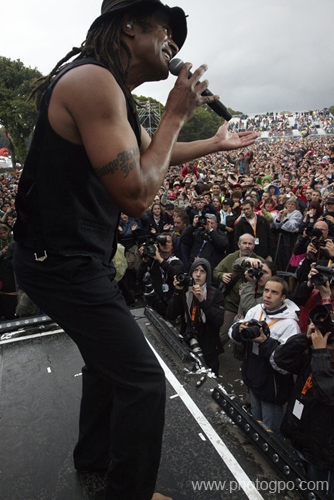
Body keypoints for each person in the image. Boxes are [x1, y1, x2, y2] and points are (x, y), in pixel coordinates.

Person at [12, 1, 258, 498]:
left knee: (109, 366)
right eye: (165, 31)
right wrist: (174, 111)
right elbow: (138, 195)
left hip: (77, 259)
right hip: (61, 264)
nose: (174, 45)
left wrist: (212, 142)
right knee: (144, 383)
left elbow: (151, 153)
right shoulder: (92, 82)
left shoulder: (112, 91)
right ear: (129, 26)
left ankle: (95, 458)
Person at [228, 277, 300, 435]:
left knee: (270, 431)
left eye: (274, 292)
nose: (267, 295)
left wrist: (265, 342)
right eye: (266, 290)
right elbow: (233, 334)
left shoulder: (290, 325)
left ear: (283, 298)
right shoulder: (256, 310)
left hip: (273, 387)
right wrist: (239, 330)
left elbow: (286, 364)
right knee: (255, 421)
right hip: (253, 378)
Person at [274, 320, 334, 499]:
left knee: (319, 492)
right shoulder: (315, 357)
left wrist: (322, 354)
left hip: (322, 452)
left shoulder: (320, 359)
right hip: (301, 436)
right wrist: (305, 339)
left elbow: (326, 394)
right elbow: (281, 359)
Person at [166, 258, 225, 375]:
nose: (198, 275)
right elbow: (170, 314)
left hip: (208, 343)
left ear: (207, 275)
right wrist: (177, 291)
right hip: (187, 339)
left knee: (210, 375)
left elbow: (218, 321)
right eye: (195, 270)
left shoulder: (215, 294)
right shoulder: (185, 290)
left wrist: (202, 301)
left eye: (202, 271)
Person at [213, 234, 264, 347]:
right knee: (223, 334)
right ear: (239, 244)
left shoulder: (260, 261)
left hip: (250, 306)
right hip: (231, 303)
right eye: (244, 243)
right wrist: (222, 276)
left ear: (254, 245)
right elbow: (216, 271)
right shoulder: (231, 258)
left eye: (250, 244)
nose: (247, 246)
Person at [137, 232, 183, 316]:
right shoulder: (152, 261)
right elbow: (139, 276)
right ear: (157, 245)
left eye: (168, 242)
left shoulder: (176, 262)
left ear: (172, 245)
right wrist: (144, 261)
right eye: (162, 242)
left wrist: (160, 259)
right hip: (154, 302)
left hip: (170, 303)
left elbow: (176, 274)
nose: (165, 244)